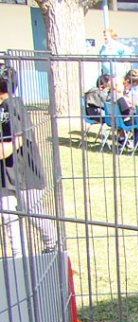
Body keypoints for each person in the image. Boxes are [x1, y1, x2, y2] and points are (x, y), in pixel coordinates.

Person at [0, 66, 58, 257]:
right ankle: (18, 255)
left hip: (24, 171)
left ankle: (52, 245)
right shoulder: (3, 106)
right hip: (6, 173)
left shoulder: (13, 105)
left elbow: (18, 138)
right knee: (7, 215)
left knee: (32, 212)